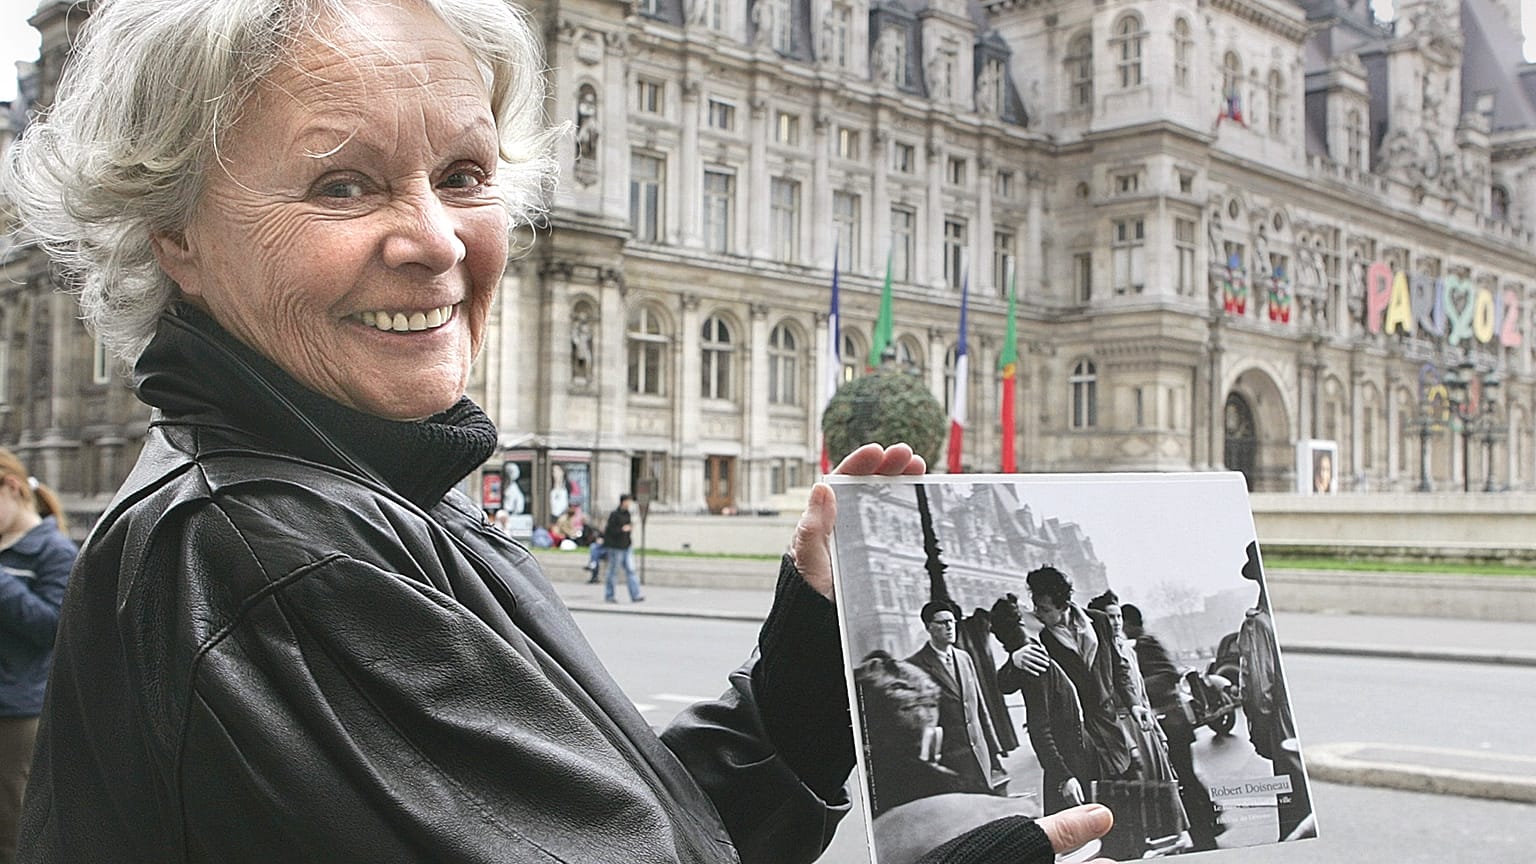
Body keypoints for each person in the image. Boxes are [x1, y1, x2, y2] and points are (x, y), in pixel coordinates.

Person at [2, 1, 1116, 861]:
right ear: (173, 233)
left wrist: (811, 656)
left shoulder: (358, 486)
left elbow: (631, 830)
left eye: (465, 174)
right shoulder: (280, 557)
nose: (437, 241)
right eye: (342, 186)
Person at [0, 451, 77, 864]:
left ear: (11, 488)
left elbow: (51, 629)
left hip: (16, 714)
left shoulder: (54, 552)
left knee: (11, 828)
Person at [1024, 567, 1152, 785]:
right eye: (1036, 607)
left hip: (1109, 727)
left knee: (1126, 790)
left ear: (1063, 605)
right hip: (1075, 735)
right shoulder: (1041, 637)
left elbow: (1118, 667)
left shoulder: (1099, 622)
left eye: (1044, 609)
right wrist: (1017, 655)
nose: (1039, 614)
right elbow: (1006, 682)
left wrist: (1134, 704)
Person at [1121, 603, 1221, 852]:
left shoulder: (1144, 643)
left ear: (1131, 624)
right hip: (1173, 721)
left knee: (1184, 778)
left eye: (1121, 622)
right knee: (1186, 776)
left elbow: (1167, 674)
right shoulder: (1143, 643)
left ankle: (1206, 836)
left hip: (1171, 722)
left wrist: (1137, 687)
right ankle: (1211, 823)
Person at [989, 594, 1101, 816]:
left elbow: (1005, 682)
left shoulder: (1034, 653)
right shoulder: (1034, 660)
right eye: (1026, 609)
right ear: (1021, 621)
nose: (1035, 611)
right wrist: (1064, 778)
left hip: (1073, 759)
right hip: (1069, 764)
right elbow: (1039, 730)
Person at [1237, 541, 1314, 842]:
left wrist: (1261, 729)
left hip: (1284, 720)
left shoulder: (1258, 623)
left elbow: (1259, 692)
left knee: (1296, 806)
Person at [904, 601, 1003, 795]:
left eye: (952, 622)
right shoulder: (915, 665)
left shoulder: (964, 658)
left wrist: (993, 747)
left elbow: (979, 707)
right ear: (928, 627)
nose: (949, 627)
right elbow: (923, 724)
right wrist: (931, 766)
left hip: (980, 753)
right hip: (951, 760)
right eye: (942, 623)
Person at [602, 493, 642, 603]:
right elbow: (610, 531)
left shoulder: (627, 514)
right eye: (628, 501)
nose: (629, 504)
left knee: (631, 570)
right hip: (616, 547)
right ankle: (609, 595)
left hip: (626, 546)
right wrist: (622, 529)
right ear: (623, 502)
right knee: (613, 571)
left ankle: (636, 594)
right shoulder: (615, 515)